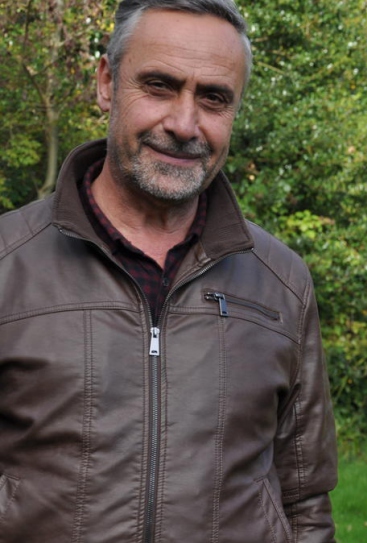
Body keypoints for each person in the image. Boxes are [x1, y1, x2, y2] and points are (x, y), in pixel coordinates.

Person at [0, 1, 337, 541]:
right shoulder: (8, 264)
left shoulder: (282, 283)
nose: (184, 124)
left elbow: (305, 500)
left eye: (213, 98)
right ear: (107, 83)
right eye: (159, 86)